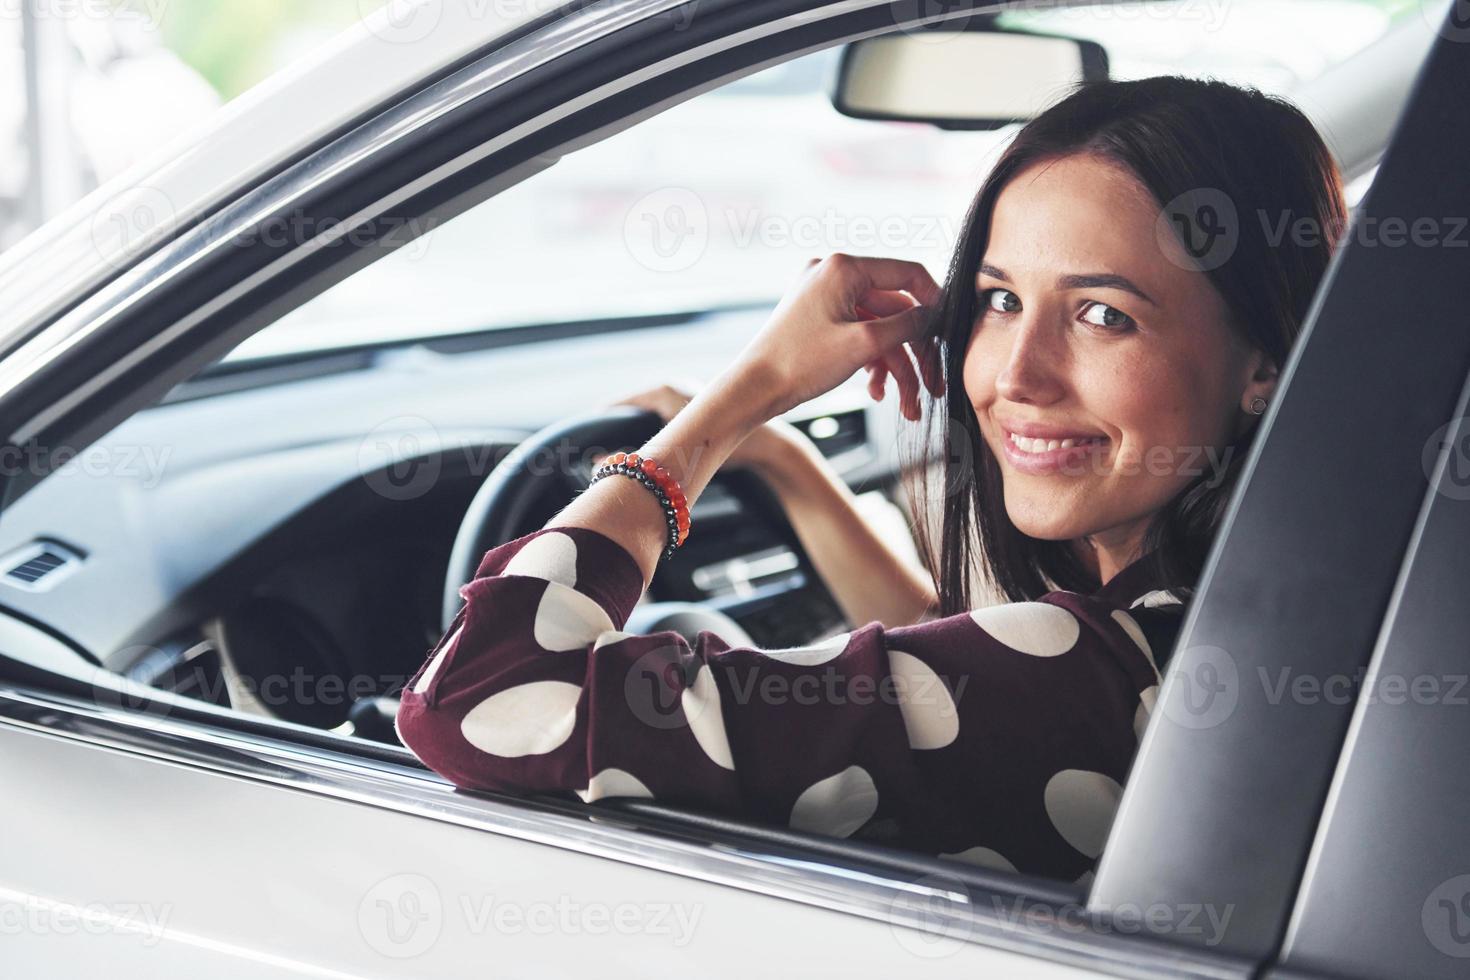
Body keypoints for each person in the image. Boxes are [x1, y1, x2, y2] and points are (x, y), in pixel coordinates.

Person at [395, 75, 1346, 883]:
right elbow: (957, 658)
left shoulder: (1100, 673)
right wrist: (789, 467)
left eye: (1102, 315)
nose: (1016, 376)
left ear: (1264, 361)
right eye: (1000, 301)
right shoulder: (1240, 618)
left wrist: (730, 408)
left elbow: (482, 697)